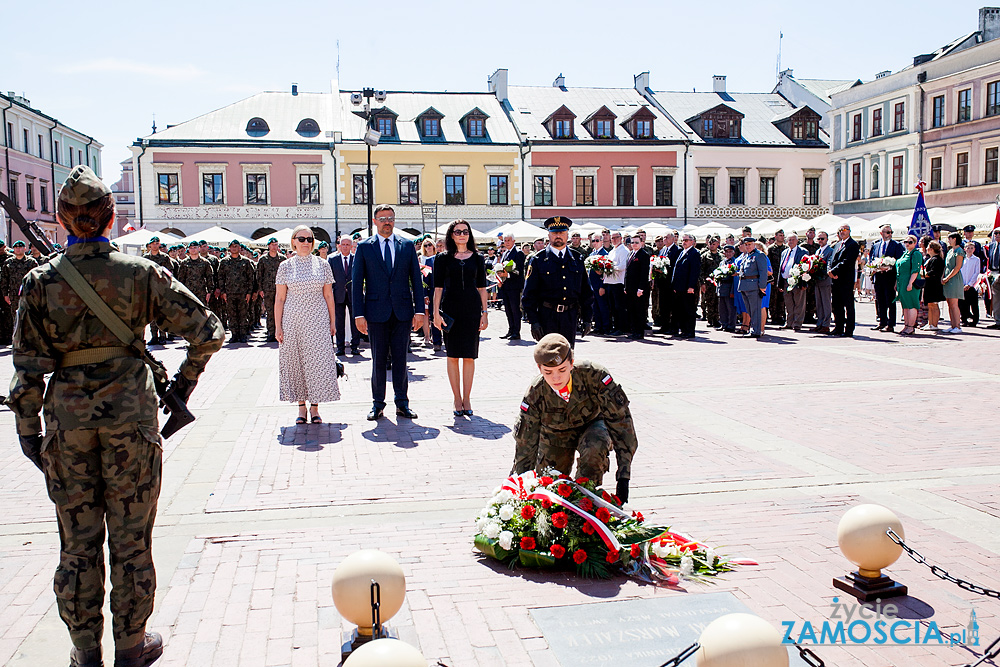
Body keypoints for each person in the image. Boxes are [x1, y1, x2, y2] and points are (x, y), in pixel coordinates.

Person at [9, 165, 224, 667]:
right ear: (110, 217)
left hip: (68, 427)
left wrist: (27, 434)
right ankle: (131, 646)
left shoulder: (39, 282)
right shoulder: (140, 272)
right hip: (133, 423)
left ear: (62, 219)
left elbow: (26, 373)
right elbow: (208, 331)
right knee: (132, 541)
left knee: (77, 544)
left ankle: (86, 651)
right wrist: (184, 385)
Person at [511, 334, 638, 503]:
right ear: (539, 368)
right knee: (549, 488)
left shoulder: (595, 376)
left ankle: (586, 500)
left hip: (592, 425)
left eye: (562, 370)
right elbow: (525, 446)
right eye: (548, 372)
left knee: (595, 446)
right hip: (555, 435)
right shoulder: (535, 394)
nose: (556, 378)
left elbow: (621, 423)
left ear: (571, 362)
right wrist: (520, 488)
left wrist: (623, 477)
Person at [352, 204, 425, 421]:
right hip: (375, 313)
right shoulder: (365, 247)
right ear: (374, 222)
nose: (387, 222)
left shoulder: (407, 245)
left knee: (402, 359)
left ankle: (402, 403)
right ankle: (378, 404)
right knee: (378, 360)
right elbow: (357, 284)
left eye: (390, 218)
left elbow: (417, 281)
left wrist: (419, 310)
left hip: (403, 312)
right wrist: (358, 314)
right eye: (382, 218)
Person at [274, 225, 340, 424]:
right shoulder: (285, 266)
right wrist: (278, 326)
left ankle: (315, 408)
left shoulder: (323, 265)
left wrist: (332, 321)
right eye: (301, 239)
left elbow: (329, 295)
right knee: (296, 363)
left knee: (317, 363)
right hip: (293, 321)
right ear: (293, 241)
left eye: (309, 239)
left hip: (317, 320)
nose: (305, 243)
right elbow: (279, 298)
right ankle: (301, 408)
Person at [432, 220, 488, 416]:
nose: (462, 234)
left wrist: (485, 313)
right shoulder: (442, 258)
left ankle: (467, 398)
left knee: (470, 356)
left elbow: (482, 288)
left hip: (472, 310)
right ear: (452, 235)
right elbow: (437, 289)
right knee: (453, 355)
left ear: (469, 235)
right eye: (458, 232)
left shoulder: (478, 259)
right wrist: (435, 313)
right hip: (450, 310)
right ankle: (457, 398)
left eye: (465, 231)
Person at [521, 216, 593, 347]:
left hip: (570, 316)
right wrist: (534, 321)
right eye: (554, 233)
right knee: (548, 358)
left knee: (567, 356)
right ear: (548, 235)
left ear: (567, 235)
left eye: (562, 233)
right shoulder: (538, 259)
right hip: (547, 316)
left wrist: (587, 318)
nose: (558, 236)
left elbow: (586, 291)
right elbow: (529, 294)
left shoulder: (577, 258)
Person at [216, 239, 256, 343]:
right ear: (229, 248)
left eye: (236, 246)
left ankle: (243, 335)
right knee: (231, 314)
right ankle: (234, 335)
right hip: (229, 293)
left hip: (243, 293)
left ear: (239, 248)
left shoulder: (245, 262)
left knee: (243, 314)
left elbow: (250, 278)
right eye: (232, 246)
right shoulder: (224, 262)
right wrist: (223, 292)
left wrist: (249, 293)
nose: (234, 248)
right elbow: (220, 277)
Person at [141, 237, 178, 345]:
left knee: (162, 313)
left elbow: (169, 272)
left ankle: (163, 336)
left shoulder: (165, 257)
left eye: (157, 243)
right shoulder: (146, 257)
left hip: (162, 288)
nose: (155, 245)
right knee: (152, 313)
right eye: (153, 244)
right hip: (150, 288)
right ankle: (154, 336)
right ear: (150, 245)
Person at [330, 235, 361, 355]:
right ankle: (340, 347)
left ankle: (355, 346)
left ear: (351, 246)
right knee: (339, 322)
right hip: (338, 295)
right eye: (343, 244)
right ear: (339, 245)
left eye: (348, 245)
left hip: (353, 295)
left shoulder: (356, 258)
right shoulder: (333, 259)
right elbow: (330, 278)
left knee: (355, 321)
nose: (345, 247)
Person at [870, 225, 904, 331]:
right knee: (880, 300)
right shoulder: (876, 245)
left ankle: (891, 324)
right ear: (881, 233)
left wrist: (889, 267)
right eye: (887, 232)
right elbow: (872, 258)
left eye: (891, 232)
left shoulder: (896, 245)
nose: (889, 234)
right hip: (878, 276)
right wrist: (874, 267)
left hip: (890, 276)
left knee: (890, 300)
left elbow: (898, 260)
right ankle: (882, 321)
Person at [828, 224, 860, 337]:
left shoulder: (853, 244)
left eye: (845, 230)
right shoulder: (837, 244)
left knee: (848, 305)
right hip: (835, 280)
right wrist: (830, 271)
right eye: (840, 230)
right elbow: (831, 260)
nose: (842, 232)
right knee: (837, 305)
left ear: (849, 231)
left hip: (846, 279)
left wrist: (834, 271)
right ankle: (838, 327)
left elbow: (847, 261)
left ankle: (849, 329)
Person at [496, 232, 525, 341]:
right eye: (505, 241)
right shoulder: (504, 253)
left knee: (515, 309)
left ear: (513, 241)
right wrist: (500, 279)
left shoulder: (518, 253)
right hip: (506, 286)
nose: (506, 243)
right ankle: (511, 329)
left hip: (514, 286)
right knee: (508, 309)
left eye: (508, 240)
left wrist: (507, 274)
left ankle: (516, 332)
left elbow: (519, 271)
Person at [737, 237, 768, 338]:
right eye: (746, 245)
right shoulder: (746, 256)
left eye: (749, 244)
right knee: (750, 310)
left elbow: (763, 272)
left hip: (754, 286)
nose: (748, 246)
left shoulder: (759, 255)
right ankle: (753, 329)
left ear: (754, 244)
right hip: (745, 286)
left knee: (755, 309)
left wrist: (762, 286)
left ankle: (756, 331)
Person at [256, 238, 285, 343]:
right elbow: (259, 275)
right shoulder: (263, 259)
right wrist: (260, 289)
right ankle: (271, 333)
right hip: (268, 290)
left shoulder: (282, 259)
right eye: (272, 244)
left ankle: (280, 332)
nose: (274, 246)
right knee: (270, 312)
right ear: (268, 246)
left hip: (280, 290)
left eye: (276, 244)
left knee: (281, 311)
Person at [671, 233, 701, 339]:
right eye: (683, 240)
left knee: (689, 310)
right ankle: (683, 330)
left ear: (692, 242)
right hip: (679, 287)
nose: (684, 242)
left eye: (687, 240)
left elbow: (694, 271)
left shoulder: (694, 253)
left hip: (688, 287)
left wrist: (691, 286)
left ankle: (690, 331)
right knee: (681, 310)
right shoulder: (682, 252)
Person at [1, 240, 39, 321]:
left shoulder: (31, 262)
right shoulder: (8, 262)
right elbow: (4, 279)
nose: (18, 249)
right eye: (16, 248)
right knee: (15, 318)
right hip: (13, 295)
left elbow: (36, 278)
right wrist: (5, 295)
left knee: (29, 317)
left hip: (28, 294)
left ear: (24, 248)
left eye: (20, 247)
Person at [779, 234, 808, 331]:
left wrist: (804, 283)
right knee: (788, 303)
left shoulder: (803, 252)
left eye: (792, 240)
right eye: (789, 240)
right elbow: (781, 267)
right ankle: (789, 322)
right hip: (786, 281)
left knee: (799, 303)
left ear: (797, 241)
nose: (790, 242)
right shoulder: (784, 252)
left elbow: (806, 268)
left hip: (798, 281)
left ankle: (797, 323)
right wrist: (780, 283)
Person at [602, 230, 629, 335]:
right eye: (612, 238)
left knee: (619, 307)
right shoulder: (612, 251)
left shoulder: (624, 250)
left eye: (616, 238)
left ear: (621, 238)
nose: (614, 240)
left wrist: (611, 268)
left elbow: (623, 266)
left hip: (619, 282)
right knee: (613, 307)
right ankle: (616, 326)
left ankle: (622, 327)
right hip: (610, 282)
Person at [895, 235, 922, 336]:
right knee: (905, 305)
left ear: (915, 243)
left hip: (910, 282)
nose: (907, 244)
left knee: (911, 305)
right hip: (902, 282)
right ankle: (906, 325)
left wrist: (910, 283)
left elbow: (915, 270)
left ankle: (911, 327)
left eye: (910, 242)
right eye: (906, 242)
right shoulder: (905, 253)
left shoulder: (916, 254)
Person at [623, 235, 650, 339]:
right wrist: (626, 287)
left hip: (638, 288)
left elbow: (644, 273)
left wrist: (641, 288)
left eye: (636, 242)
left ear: (642, 243)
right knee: (631, 310)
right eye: (632, 242)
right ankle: (634, 331)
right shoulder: (630, 254)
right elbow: (627, 273)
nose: (634, 244)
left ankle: (639, 332)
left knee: (639, 311)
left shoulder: (644, 255)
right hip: (630, 288)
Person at [654, 231, 680, 334]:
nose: (665, 239)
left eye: (667, 237)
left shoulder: (677, 250)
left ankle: (674, 328)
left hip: (671, 283)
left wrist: (665, 269)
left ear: (673, 239)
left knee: (673, 306)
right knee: (663, 305)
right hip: (662, 283)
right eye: (664, 237)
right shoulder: (663, 250)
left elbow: (676, 267)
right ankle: (664, 326)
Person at [940, 232, 965, 334]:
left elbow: (957, 267)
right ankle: (953, 325)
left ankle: (957, 326)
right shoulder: (950, 250)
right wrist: (943, 277)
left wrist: (947, 277)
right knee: (949, 303)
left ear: (955, 239)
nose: (948, 240)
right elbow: (946, 266)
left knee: (954, 304)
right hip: (947, 278)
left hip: (954, 279)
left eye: (950, 238)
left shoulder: (959, 251)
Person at [176, 241, 214, 307]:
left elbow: (209, 278)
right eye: (191, 248)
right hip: (188, 292)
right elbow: (181, 279)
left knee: (202, 312)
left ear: (199, 248)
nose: (193, 250)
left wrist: (209, 292)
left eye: (195, 247)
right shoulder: (184, 263)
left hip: (201, 293)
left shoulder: (205, 262)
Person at [922, 240, 945, 331]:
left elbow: (934, 272)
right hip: (929, 284)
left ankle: (934, 324)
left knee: (934, 305)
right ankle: (930, 323)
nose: (926, 249)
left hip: (934, 285)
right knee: (930, 305)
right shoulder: (931, 259)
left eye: (928, 247)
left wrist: (924, 274)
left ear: (931, 249)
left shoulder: (937, 259)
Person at [699, 236, 722, 328]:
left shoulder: (721, 256)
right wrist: (702, 283)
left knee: (718, 301)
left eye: (714, 244)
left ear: (717, 245)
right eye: (710, 244)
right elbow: (701, 270)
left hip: (719, 282)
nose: (712, 246)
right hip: (708, 282)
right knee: (709, 301)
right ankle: (710, 319)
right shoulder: (704, 256)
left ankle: (716, 319)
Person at [766, 230, 788, 326]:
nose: (782, 237)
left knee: (782, 297)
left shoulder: (786, 248)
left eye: (783, 235)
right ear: (775, 236)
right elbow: (768, 264)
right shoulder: (770, 249)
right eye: (780, 235)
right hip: (774, 276)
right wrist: (770, 278)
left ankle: (781, 315)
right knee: (773, 298)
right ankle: (774, 316)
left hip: (783, 276)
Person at [960, 238, 982, 327]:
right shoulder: (962, 259)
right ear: (964, 249)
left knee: (974, 303)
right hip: (962, 284)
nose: (969, 250)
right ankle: (964, 319)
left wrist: (969, 284)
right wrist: (963, 284)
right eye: (968, 248)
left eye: (971, 248)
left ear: (974, 249)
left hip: (972, 285)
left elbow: (976, 273)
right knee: (963, 304)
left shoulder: (976, 259)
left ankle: (975, 320)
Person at [717, 244, 738, 332]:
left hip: (730, 286)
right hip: (722, 287)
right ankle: (723, 324)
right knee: (722, 307)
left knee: (730, 307)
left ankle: (731, 325)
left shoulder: (735, 262)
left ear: (733, 253)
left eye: (730, 252)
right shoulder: (722, 262)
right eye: (726, 252)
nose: (728, 254)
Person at [987, 228, 1000, 329]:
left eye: (999, 233)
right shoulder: (991, 246)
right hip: (994, 273)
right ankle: (998, 321)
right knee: (996, 299)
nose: (997, 235)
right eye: (995, 233)